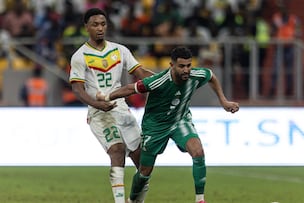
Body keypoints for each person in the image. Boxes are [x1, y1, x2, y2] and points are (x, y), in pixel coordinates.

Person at [96, 46, 240, 203]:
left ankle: (200, 200)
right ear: (172, 65)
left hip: (180, 120)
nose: (186, 70)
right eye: (181, 66)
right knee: (144, 172)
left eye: (188, 65)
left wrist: (224, 101)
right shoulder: (158, 81)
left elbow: (211, 76)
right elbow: (131, 89)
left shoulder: (196, 74)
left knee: (198, 152)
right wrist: (107, 96)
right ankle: (132, 200)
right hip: (155, 127)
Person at [69, 8, 153, 203]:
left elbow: (140, 73)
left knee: (143, 161)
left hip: (121, 108)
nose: (100, 28)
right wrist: (97, 104)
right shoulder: (79, 56)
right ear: (86, 27)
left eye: (103, 24)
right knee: (116, 150)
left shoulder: (120, 50)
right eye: (95, 25)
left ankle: (136, 200)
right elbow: (78, 90)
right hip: (99, 113)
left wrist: (163, 80)